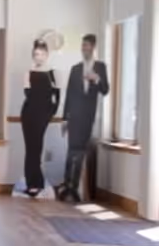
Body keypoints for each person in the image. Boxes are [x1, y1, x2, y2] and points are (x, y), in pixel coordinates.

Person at [58, 34, 109, 202]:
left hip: (88, 117)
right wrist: (64, 119)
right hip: (74, 116)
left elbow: (105, 90)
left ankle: (73, 188)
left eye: (86, 45)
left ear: (93, 47)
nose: (84, 49)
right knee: (71, 151)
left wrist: (97, 79)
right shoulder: (75, 69)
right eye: (82, 46)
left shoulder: (100, 67)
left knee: (80, 152)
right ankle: (67, 186)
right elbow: (69, 95)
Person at [21, 40, 60, 197]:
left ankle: (37, 183)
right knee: (30, 149)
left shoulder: (52, 73)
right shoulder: (28, 73)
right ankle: (32, 184)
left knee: (37, 147)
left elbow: (56, 97)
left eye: (42, 54)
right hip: (28, 114)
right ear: (33, 55)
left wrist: (50, 113)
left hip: (43, 115)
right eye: (36, 54)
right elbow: (28, 94)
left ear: (47, 55)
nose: (39, 57)